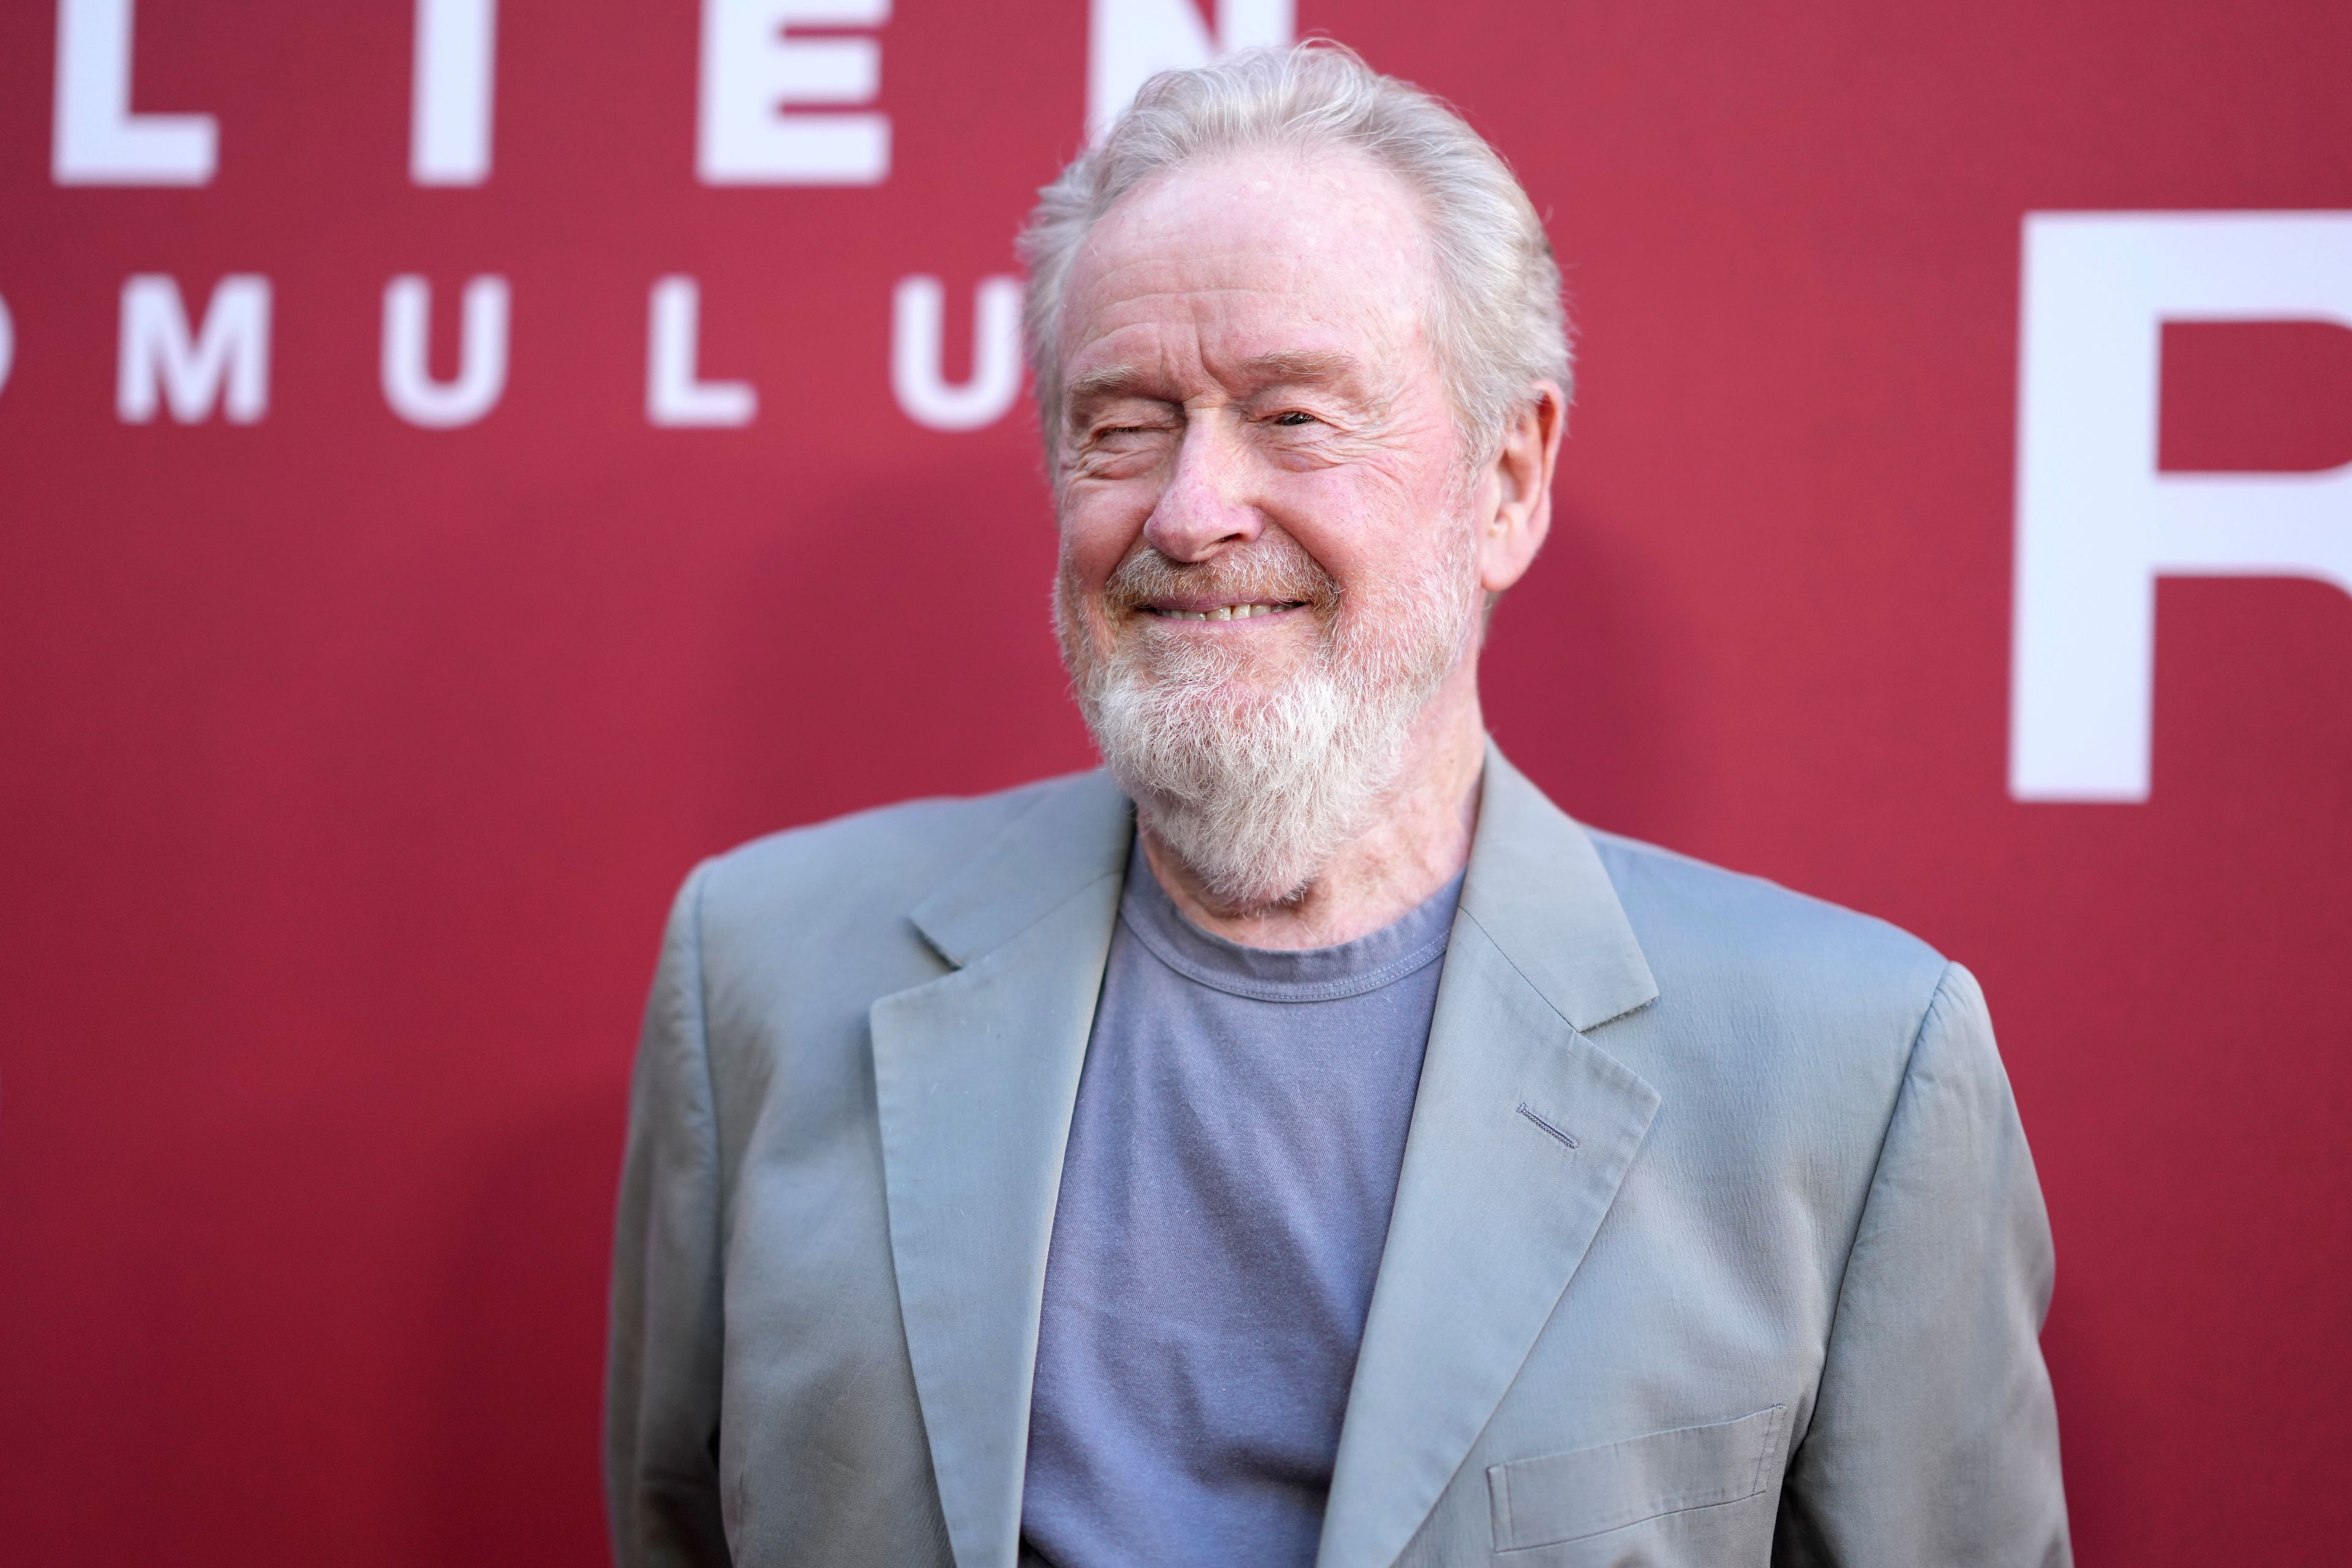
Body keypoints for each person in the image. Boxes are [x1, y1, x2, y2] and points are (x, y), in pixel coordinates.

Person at [605, 42, 2068, 1568]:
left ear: (1509, 480)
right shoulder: (760, 976)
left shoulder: (1853, 1072)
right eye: (1122, 423)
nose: (1189, 510)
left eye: (1295, 416)